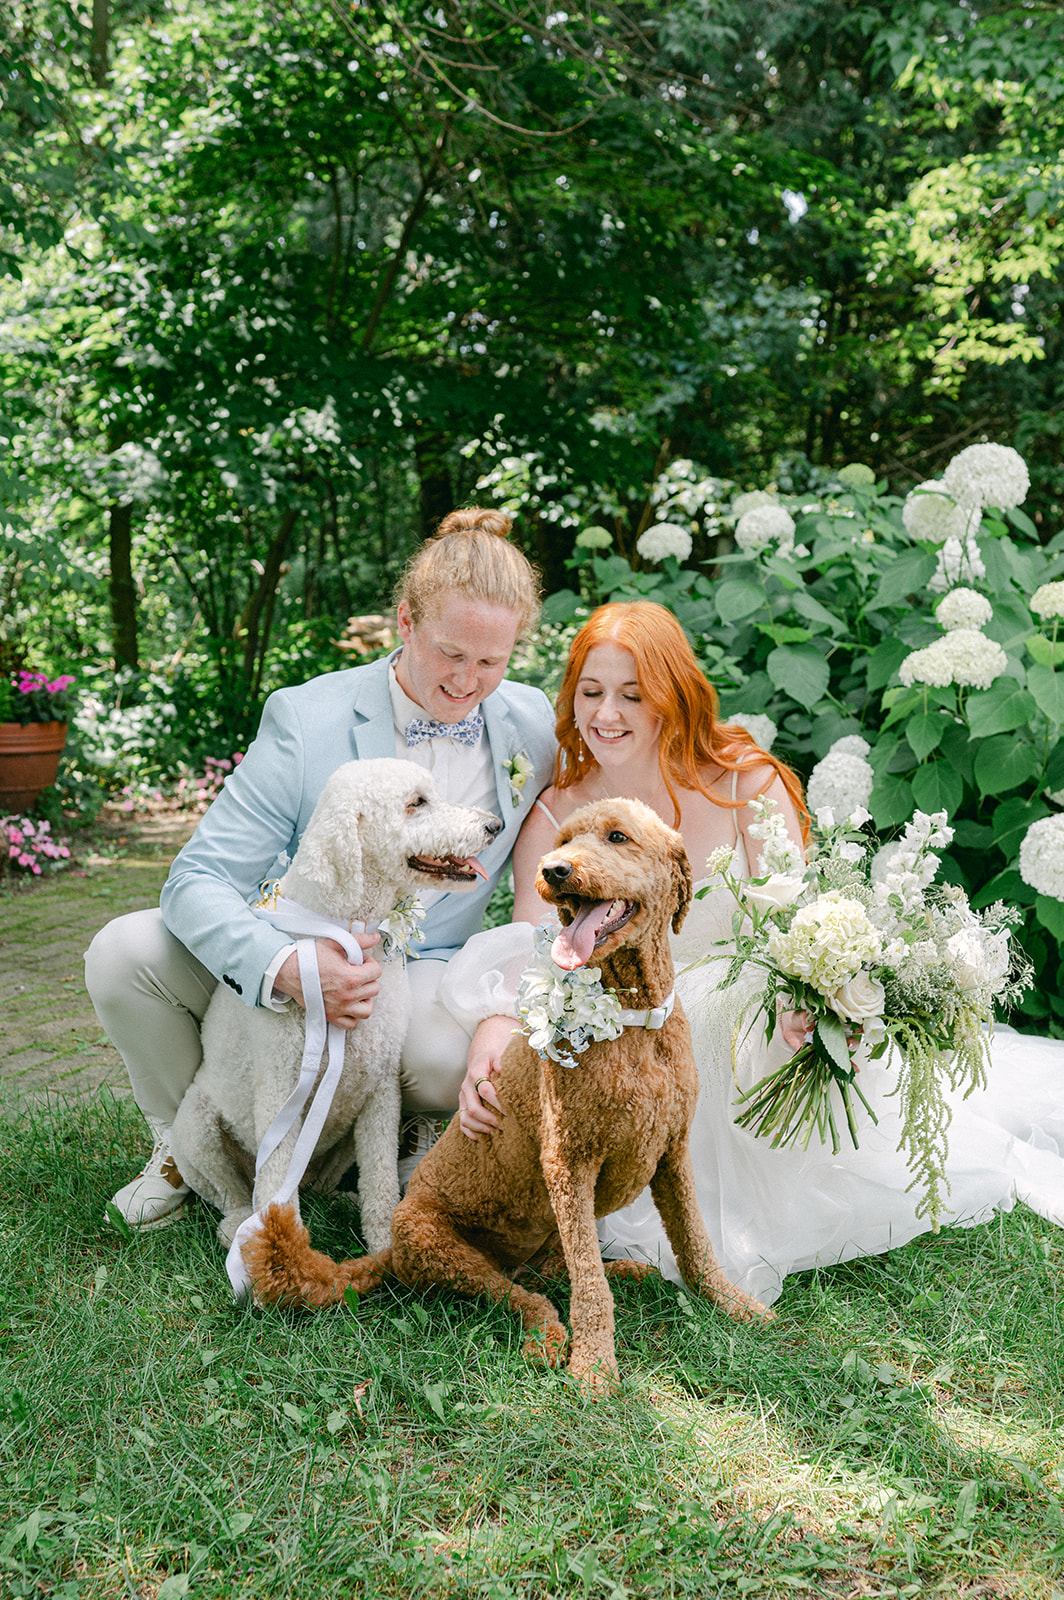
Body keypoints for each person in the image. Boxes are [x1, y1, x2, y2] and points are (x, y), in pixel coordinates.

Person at [451, 599, 1064, 1307]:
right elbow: (539, 954)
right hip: (627, 1029)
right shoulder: (561, 812)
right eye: (590, 693)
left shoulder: (745, 783)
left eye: (631, 694)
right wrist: (496, 1030)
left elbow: (801, 924)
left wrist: (811, 998)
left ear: (673, 695)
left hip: (753, 1008)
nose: (606, 714)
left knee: (749, 1030)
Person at [85, 509, 557, 1228]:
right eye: (450, 653)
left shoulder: (533, 725)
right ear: (405, 621)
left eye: (492, 662)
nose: (468, 683)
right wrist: (283, 965)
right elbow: (196, 879)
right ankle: (187, 1144)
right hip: (295, 930)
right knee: (123, 953)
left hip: (419, 962)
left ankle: (399, 1130)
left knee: (441, 1055)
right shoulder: (306, 718)